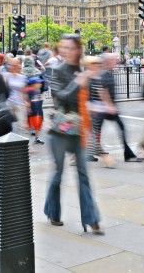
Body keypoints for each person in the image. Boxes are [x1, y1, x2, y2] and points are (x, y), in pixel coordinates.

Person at [45, 34, 103, 234]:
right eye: (63, 47)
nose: (65, 51)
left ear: (78, 49)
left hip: (78, 130)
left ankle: (91, 218)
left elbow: (86, 100)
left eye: (70, 48)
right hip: (60, 132)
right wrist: (77, 83)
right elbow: (59, 98)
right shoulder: (59, 70)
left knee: (83, 175)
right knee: (58, 173)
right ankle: (53, 211)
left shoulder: (83, 70)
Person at [96, 52, 142, 162]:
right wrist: (109, 105)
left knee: (96, 131)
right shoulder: (105, 74)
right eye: (113, 60)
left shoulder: (108, 72)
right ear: (107, 62)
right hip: (105, 108)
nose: (116, 62)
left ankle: (128, 154)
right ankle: (128, 155)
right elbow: (103, 91)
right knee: (119, 128)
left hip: (105, 108)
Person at [86, 56, 116, 168]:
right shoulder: (87, 76)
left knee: (92, 134)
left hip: (97, 109)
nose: (98, 65)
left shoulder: (97, 76)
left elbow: (103, 91)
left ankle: (76, 156)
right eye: (95, 63)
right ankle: (106, 158)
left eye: (98, 63)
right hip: (89, 110)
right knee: (92, 135)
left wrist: (109, 105)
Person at [25, 77, 45, 144]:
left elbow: (39, 101)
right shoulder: (29, 90)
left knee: (37, 126)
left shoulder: (37, 90)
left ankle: (37, 138)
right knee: (30, 126)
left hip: (37, 110)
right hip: (31, 111)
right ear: (33, 84)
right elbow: (27, 100)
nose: (40, 84)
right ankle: (28, 141)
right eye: (38, 83)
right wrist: (28, 109)